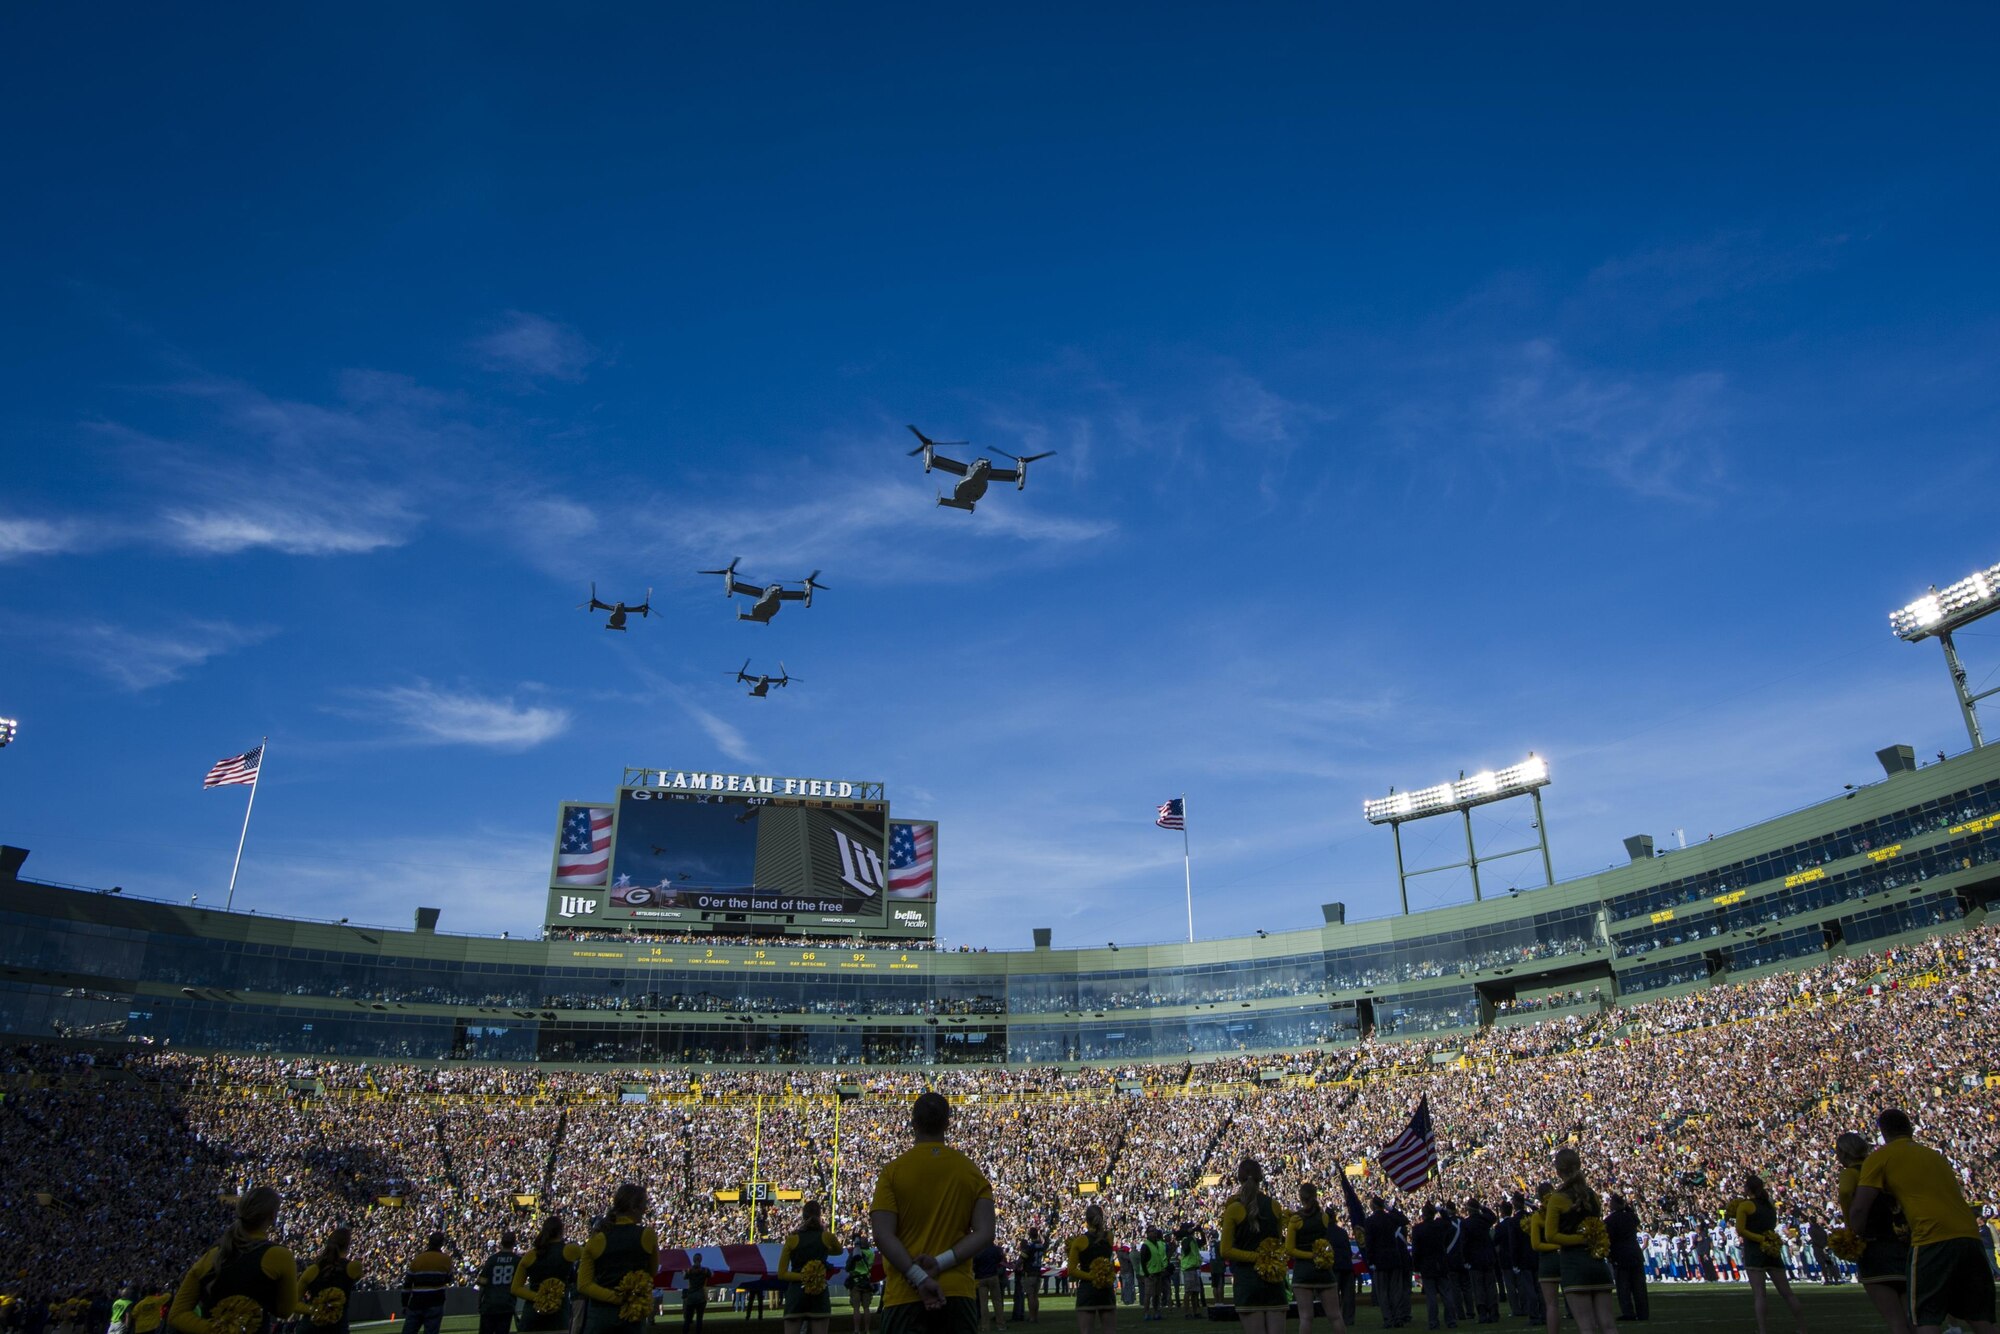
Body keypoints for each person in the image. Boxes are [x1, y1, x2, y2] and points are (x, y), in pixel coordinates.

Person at [1850, 1108, 1999, 1334]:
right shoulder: (1934, 1155)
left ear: (1883, 1133)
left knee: (1926, 1318)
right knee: (1979, 1317)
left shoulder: (1880, 1157)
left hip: (1932, 1237)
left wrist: (1855, 1236)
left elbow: (1860, 1206)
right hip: (1969, 1236)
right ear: (1909, 1128)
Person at [869, 1091, 997, 1334]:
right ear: (948, 1123)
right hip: (956, 1293)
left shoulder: (892, 1172)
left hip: (904, 1295)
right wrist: (939, 1263)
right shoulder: (970, 1171)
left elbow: (883, 1235)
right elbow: (985, 1232)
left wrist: (919, 1276)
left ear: (913, 1123)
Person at [168, 1187, 299, 1334]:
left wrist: (215, 1329)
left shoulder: (211, 1256)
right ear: (273, 1216)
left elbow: (176, 1314)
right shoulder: (280, 1256)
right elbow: (285, 1311)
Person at [1541, 1152, 1616, 1334]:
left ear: (1558, 1171)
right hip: (1597, 1262)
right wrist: (1588, 1240)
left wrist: (1578, 1240)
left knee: (1586, 1327)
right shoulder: (1591, 1195)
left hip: (1574, 1265)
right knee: (1609, 1325)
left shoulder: (1557, 1199)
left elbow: (1551, 1236)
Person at [577, 1185, 660, 1334]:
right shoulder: (647, 1235)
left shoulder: (597, 1238)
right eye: (644, 1204)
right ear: (634, 1207)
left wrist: (615, 1297)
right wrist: (625, 1297)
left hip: (600, 1317)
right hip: (631, 1316)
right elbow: (652, 1272)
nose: (645, 1209)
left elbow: (583, 1285)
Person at [1217, 1159, 1286, 1334]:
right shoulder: (1275, 1206)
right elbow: (1278, 1242)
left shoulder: (1233, 1208)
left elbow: (1225, 1250)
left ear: (1239, 1178)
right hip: (1273, 1280)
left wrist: (1254, 1257)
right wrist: (1263, 1257)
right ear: (1260, 1178)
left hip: (1247, 1281)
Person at [1729, 1175, 1805, 1334]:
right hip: (1772, 1249)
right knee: (1787, 1293)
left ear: (1747, 1189)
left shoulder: (1745, 1206)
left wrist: (1759, 1239)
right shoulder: (1770, 1205)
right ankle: (1802, 1327)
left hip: (1755, 1251)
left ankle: (1763, 1330)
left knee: (1759, 1294)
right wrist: (1766, 1239)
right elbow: (1771, 1225)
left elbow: (1741, 1230)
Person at [1286, 1184, 1347, 1334]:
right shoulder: (1324, 1217)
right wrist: (1317, 1256)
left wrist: (1309, 1256)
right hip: (1323, 1270)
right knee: (1335, 1316)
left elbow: (1289, 1249)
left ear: (1300, 1198)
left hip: (1303, 1271)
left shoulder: (1295, 1219)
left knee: (1306, 1318)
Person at [512, 1218, 580, 1334]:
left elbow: (515, 1288)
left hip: (531, 1317)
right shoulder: (569, 1250)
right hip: (559, 1317)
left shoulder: (530, 1255)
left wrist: (539, 1297)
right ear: (561, 1231)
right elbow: (594, 1256)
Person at [777, 1202, 835, 1334]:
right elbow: (838, 1251)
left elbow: (781, 1274)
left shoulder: (792, 1239)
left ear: (803, 1216)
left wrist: (803, 1277)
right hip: (819, 1292)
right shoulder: (826, 1237)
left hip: (796, 1294)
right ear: (820, 1215)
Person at [298, 1228, 362, 1334]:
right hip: (337, 1328)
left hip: (310, 1327)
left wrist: (316, 1310)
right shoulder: (354, 1267)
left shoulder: (313, 1270)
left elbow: (293, 1303)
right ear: (348, 1245)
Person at [1066, 1206, 1118, 1334]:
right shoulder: (1109, 1236)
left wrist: (1092, 1276)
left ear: (1086, 1220)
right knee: (1110, 1330)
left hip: (1087, 1290)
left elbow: (1071, 1270)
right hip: (1106, 1288)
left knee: (1086, 1331)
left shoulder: (1080, 1241)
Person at [1365, 1197, 1412, 1330]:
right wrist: (1391, 1209)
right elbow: (1404, 1220)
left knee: (1382, 1292)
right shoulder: (1390, 1218)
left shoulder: (1370, 1221)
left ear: (1373, 1206)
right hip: (1394, 1258)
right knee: (1395, 1291)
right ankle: (1398, 1317)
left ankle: (1388, 1319)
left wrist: (1370, 1260)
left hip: (1379, 1260)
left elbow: (1369, 1243)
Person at [1603, 1195, 1647, 1324]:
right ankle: (1643, 1312)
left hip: (1620, 1255)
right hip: (1635, 1253)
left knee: (1623, 1286)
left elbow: (1609, 1238)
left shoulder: (1610, 1220)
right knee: (1639, 1286)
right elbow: (1636, 1220)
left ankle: (1628, 1312)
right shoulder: (1631, 1217)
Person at [400, 1233, 453, 1334]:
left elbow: (407, 1285)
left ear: (429, 1243)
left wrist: (404, 1304)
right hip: (435, 1302)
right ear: (441, 1244)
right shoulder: (446, 1260)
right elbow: (449, 1279)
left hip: (416, 1303)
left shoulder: (417, 1259)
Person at [1525, 1189, 1560, 1334]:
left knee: (1551, 1304)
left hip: (1547, 1259)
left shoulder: (1537, 1216)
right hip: (1564, 1257)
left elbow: (1536, 1245)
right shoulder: (1562, 1212)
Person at [475, 1232, 522, 1334]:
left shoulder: (492, 1260)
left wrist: (479, 1303)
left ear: (501, 1243)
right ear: (514, 1243)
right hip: (506, 1304)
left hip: (489, 1304)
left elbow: (482, 1284)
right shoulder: (517, 1260)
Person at [975, 1240, 1008, 1332]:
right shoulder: (995, 1249)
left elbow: (975, 1264)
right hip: (993, 1276)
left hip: (981, 1278)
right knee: (997, 1302)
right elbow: (999, 1260)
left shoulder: (978, 1250)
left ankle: (985, 1326)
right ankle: (1001, 1325)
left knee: (983, 1304)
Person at [846, 1238, 877, 1334]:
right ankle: (867, 1330)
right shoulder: (871, 1253)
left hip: (855, 1281)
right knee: (866, 1308)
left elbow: (848, 1267)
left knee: (856, 1308)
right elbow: (871, 1265)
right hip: (866, 1282)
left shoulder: (854, 1252)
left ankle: (856, 1330)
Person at [1137, 1230, 1167, 1324]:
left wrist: (1162, 1269)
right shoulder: (1146, 1245)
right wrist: (1146, 1274)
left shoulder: (1156, 1244)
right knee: (1148, 1295)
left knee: (1157, 1295)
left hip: (1157, 1273)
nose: (1154, 1233)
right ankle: (1146, 1313)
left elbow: (1158, 1258)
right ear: (1148, 1234)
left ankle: (1156, 1312)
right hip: (1151, 1274)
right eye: (1152, 1231)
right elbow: (1143, 1261)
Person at [1020, 1230, 1046, 1326]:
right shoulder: (1041, 1246)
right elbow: (1045, 1242)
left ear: (1030, 1235)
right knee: (1035, 1296)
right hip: (1038, 1272)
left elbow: (1022, 1258)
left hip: (1030, 1273)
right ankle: (1036, 1316)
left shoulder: (1030, 1247)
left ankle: (1032, 1317)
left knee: (1030, 1296)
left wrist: (1016, 1266)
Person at [1179, 1231, 1207, 1319]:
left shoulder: (1193, 1240)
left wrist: (1201, 1232)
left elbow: (1203, 1242)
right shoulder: (1185, 1240)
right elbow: (1186, 1250)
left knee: (1195, 1292)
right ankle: (1186, 1313)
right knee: (1188, 1292)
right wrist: (1190, 1237)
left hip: (1195, 1268)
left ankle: (1195, 1312)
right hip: (1188, 1268)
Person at [680, 1256, 711, 1334]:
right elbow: (711, 1275)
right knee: (699, 1318)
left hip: (691, 1297)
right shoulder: (705, 1270)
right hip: (701, 1297)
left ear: (693, 1260)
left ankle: (685, 1332)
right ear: (701, 1260)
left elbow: (684, 1276)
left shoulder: (689, 1271)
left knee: (687, 1319)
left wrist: (683, 1271)